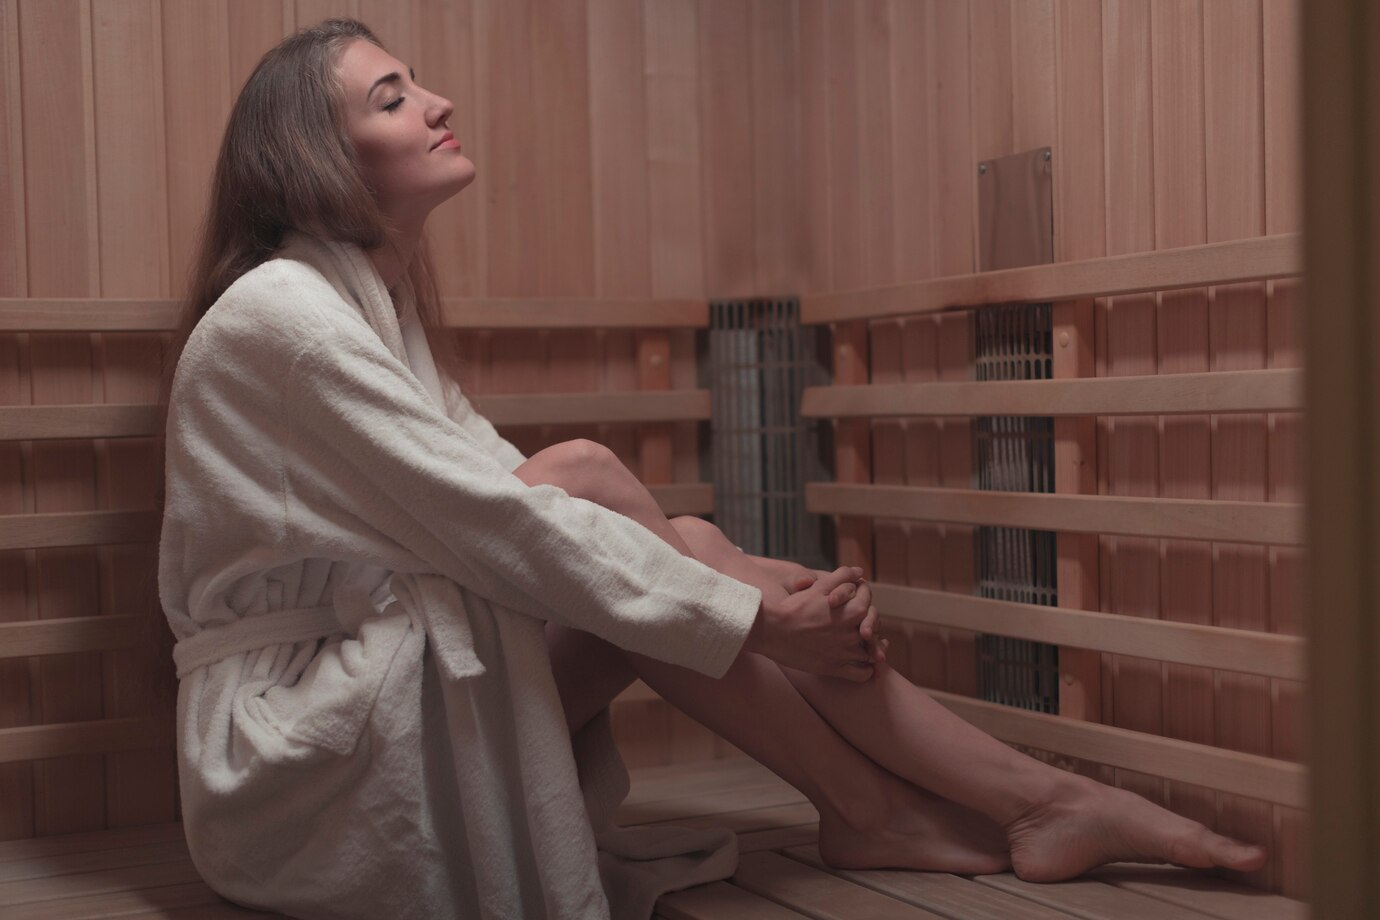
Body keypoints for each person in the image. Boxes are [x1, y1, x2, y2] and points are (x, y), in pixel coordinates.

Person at [156, 17, 1268, 920]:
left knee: (665, 540)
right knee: (597, 485)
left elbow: (491, 497)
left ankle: (972, 802)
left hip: (372, 687)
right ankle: (1001, 799)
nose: (438, 102)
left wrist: (739, 576)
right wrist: (763, 616)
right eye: (393, 98)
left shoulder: (362, 306)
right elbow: (496, 518)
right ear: (319, 157)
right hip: (292, 765)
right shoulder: (284, 317)